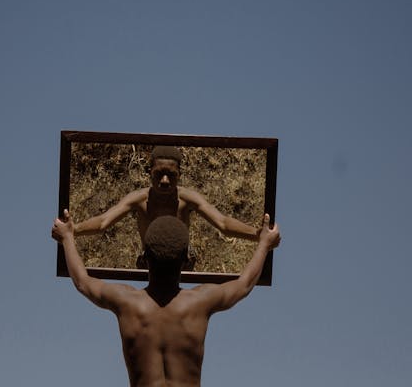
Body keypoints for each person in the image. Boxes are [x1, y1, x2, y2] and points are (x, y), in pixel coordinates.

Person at [52, 210, 281, 387]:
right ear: (186, 260)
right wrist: (263, 244)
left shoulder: (126, 302)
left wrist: (68, 237)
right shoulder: (200, 302)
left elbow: (82, 281)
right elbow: (244, 284)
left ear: (143, 259)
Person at [73, 145, 260, 268]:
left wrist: (258, 235)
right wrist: (73, 230)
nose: (164, 180)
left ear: (179, 174)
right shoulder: (138, 199)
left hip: (181, 260)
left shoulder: (187, 199)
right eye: (159, 174)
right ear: (149, 173)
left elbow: (223, 223)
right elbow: (103, 222)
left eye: (170, 175)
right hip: (150, 260)